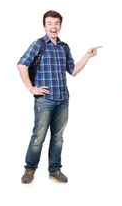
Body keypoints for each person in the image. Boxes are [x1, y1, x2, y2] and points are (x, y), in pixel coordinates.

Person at [17, 10, 101, 184]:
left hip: (63, 99)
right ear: (44, 26)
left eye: (56, 23)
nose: (53, 27)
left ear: (60, 26)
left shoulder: (64, 47)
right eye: (49, 23)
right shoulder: (38, 45)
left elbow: (73, 71)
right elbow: (21, 65)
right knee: (38, 136)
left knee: (58, 137)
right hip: (45, 100)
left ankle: (54, 170)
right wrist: (31, 88)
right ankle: (29, 169)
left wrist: (87, 56)